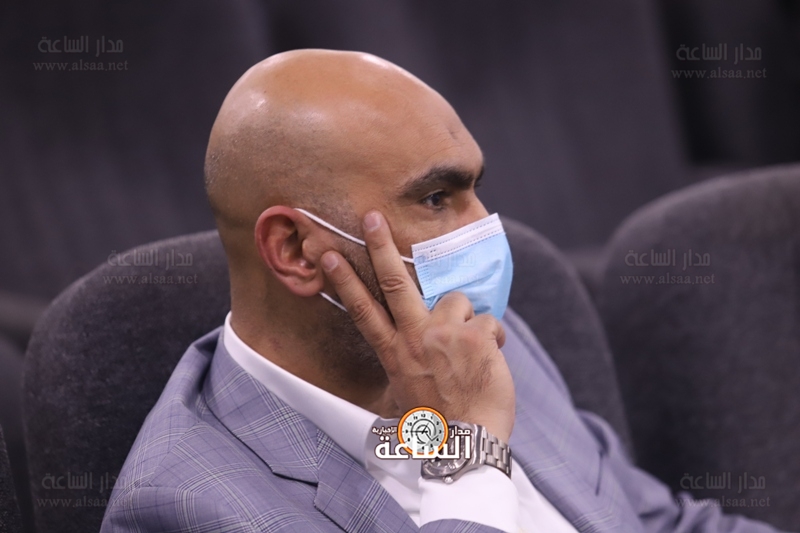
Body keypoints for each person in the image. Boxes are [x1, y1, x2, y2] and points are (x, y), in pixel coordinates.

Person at [100, 49, 785, 532]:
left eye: (475, 189)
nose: (487, 231)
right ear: (296, 251)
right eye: (436, 199)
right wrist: (467, 454)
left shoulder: (475, 339)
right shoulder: (185, 505)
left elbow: (662, 522)